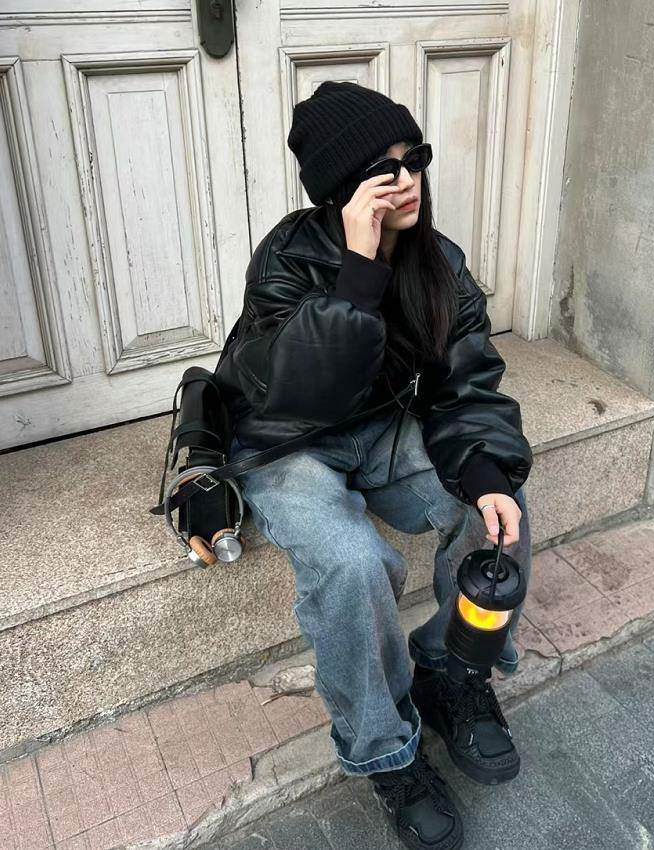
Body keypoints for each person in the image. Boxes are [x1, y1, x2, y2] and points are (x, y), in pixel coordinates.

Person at [214, 80, 534, 850]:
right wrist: (358, 269)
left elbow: (466, 385)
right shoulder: (289, 256)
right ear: (338, 191)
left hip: (381, 430)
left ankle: (453, 672)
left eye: (413, 158)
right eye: (380, 169)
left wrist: (483, 473)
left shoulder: (439, 262)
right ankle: (386, 750)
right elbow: (305, 393)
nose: (405, 179)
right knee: (352, 561)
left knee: (498, 507)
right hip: (285, 441)